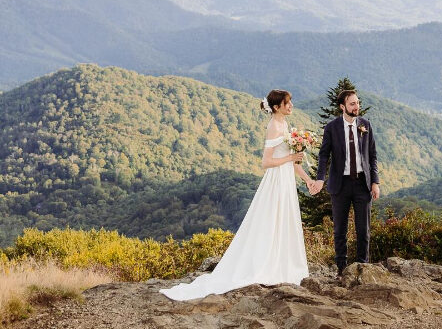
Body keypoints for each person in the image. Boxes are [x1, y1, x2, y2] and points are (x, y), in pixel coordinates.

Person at [160, 89, 313, 300]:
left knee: (284, 221)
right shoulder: (274, 127)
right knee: (272, 222)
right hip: (276, 181)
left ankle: (283, 264)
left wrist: (308, 179)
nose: (291, 106)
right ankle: (267, 264)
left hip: (286, 180)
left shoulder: (284, 124)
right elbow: (266, 162)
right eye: (288, 103)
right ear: (277, 107)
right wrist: (290, 158)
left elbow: (292, 159)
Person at [309, 90, 379, 275]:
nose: (357, 107)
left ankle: (363, 267)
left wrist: (375, 182)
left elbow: (372, 156)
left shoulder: (366, 125)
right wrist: (320, 179)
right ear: (342, 106)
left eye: (357, 103)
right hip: (340, 185)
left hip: (362, 184)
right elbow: (324, 155)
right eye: (352, 104)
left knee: (363, 230)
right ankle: (341, 269)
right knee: (340, 230)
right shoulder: (332, 127)